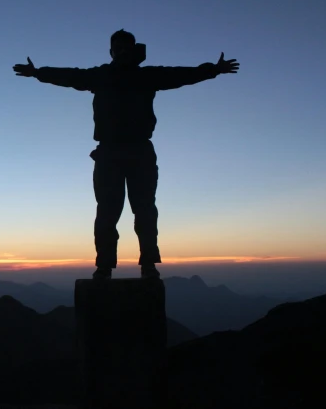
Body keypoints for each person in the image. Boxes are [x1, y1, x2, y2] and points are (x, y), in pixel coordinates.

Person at [13, 29, 239, 279]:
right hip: (109, 153)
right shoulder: (101, 76)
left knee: (144, 210)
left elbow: (181, 75)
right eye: (117, 47)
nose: (121, 51)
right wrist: (38, 73)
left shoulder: (147, 76)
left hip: (139, 151)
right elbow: (70, 76)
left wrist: (212, 70)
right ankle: (105, 266)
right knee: (108, 212)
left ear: (132, 49)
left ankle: (148, 264)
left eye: (125, 46)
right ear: (111, 51)